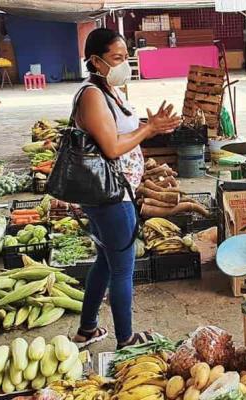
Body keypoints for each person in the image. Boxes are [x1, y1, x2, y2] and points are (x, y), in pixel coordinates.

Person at [71, 28, 181, 349]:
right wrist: (149, 129)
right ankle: (126, 340)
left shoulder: (110, 90)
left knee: (106, 262)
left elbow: (125, 133)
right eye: (117, 59)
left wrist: (153, 124)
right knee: (122, 269)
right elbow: (111, 147)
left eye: (125, 57)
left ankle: (87, 329)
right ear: (96, 60)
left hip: (116, 192)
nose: (124, 65)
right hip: (110, 196)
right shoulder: (92, 94)